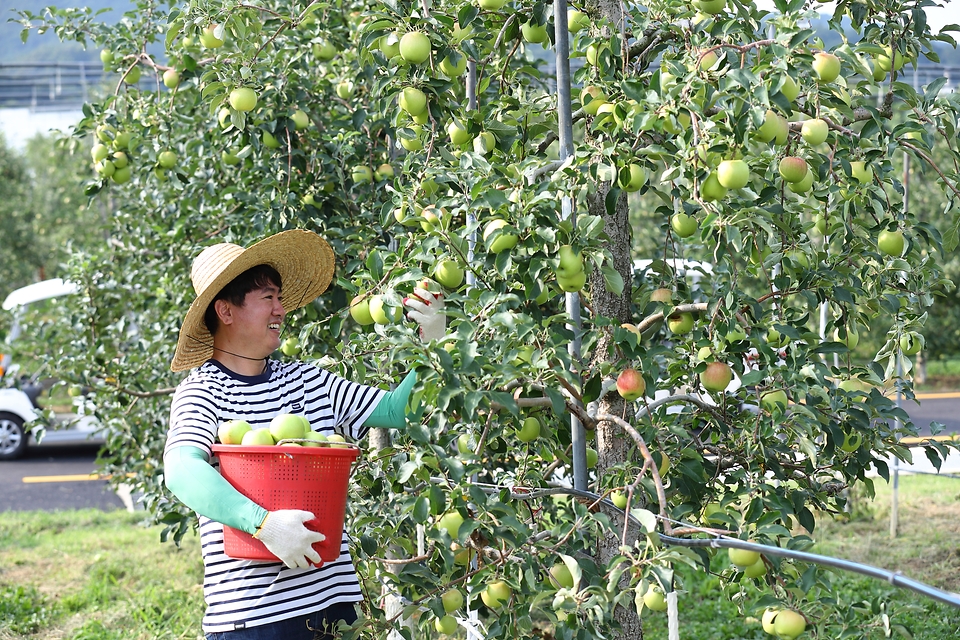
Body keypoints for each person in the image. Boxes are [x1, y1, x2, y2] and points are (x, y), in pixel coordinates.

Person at [163, 229, 443, 639]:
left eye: (280, 298)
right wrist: (264, 526)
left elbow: (398, 411)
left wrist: (433, 347)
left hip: (332, 606)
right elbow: (182, 470)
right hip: (255, 618)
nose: (281, 309)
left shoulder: (307, 380)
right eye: (268, 298)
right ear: (225, 312)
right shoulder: (204, 392)